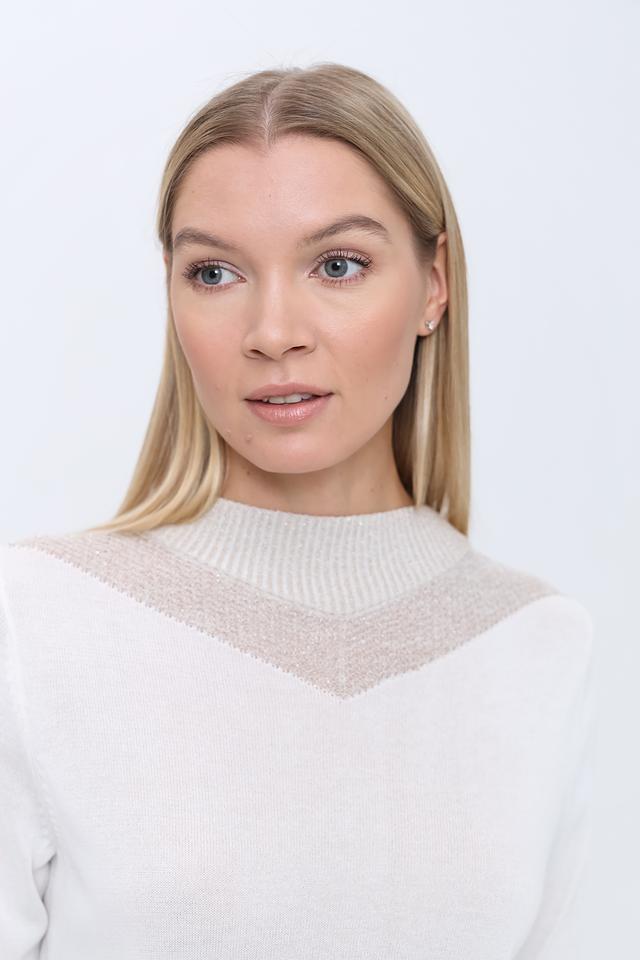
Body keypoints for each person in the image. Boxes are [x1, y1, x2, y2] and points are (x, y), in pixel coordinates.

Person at [0, 62, 596, 958]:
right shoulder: (38, 620)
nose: (274, 332)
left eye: (338, 265)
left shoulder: (541, 647)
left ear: (434, 284)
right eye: (214, 273)